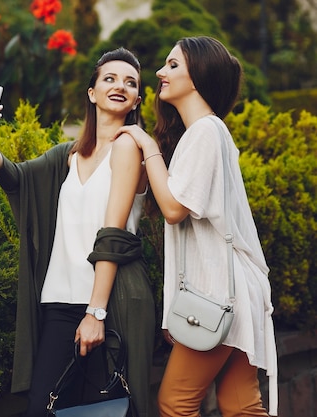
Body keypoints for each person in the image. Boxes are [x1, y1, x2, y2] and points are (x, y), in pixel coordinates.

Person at [0, 47, 156, 417]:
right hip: (59, 302)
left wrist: (96, 313)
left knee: (108, 410)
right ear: (92, 92)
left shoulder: (133, 149)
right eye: (110, 78)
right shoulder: (66, 156)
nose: (120, 86)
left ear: (137, 98)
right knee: (44, 409)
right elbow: (15, 179)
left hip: (113, 303)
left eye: (130, 82)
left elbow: (113, 233)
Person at [114, 36, 278, 416]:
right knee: (240, 406)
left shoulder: (205, 131)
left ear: (199, 74)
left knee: (175, 403)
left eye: (172, 65)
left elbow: (174, 209)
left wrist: (143, 141)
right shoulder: (204, 133)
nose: (160, 72)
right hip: (235, 293)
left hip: (219, 294)